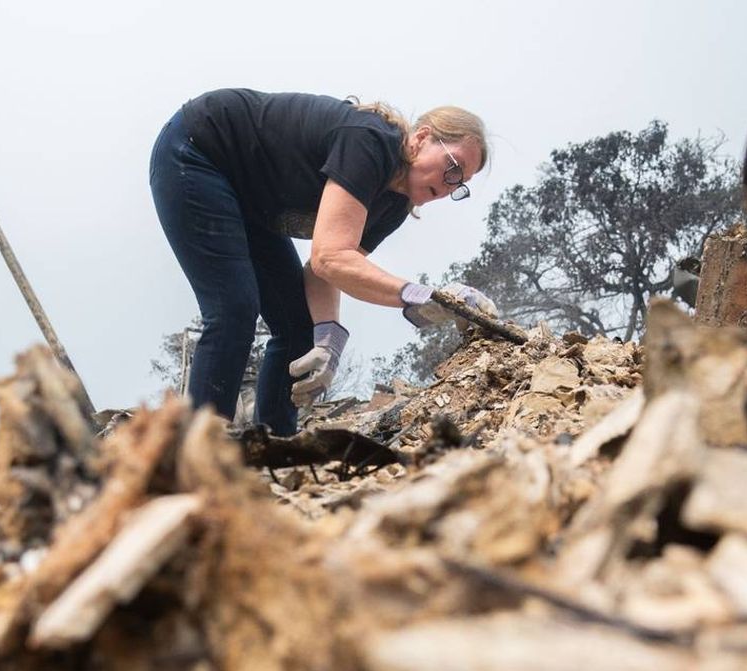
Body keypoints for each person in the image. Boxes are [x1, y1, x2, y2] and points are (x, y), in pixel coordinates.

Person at [149, 88, 497, 435]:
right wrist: (426, 296)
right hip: (198, 151)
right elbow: (330, 257)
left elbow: (328, 271)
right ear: (421, 138)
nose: (451, 187)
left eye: (461, 185)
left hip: (251, 201)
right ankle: (197, 451)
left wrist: (328, 337)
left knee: (298, 327)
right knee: (234, 308)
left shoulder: (393, 205)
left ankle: (276, 448)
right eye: (454, 168)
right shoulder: (370, 142)